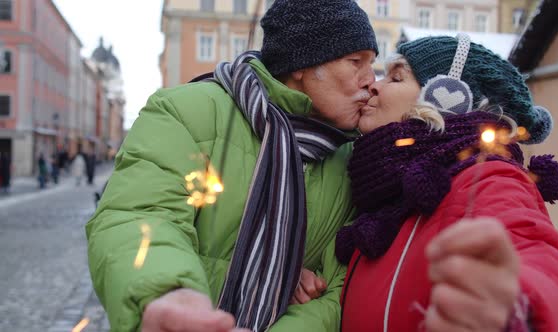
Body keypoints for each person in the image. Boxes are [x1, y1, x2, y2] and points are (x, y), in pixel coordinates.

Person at [86, 0, 378, 331]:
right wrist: (168, 292)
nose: (372, 81)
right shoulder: (185, 111)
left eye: (373, 65)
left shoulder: (356, 158)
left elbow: (336, 288)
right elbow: (139, 215)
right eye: (356, 62)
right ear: (303, 63)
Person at [336, 34, 558, 331]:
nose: (374, 85)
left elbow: (547, 267)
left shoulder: (486, 177)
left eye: (396, 77)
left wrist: (516, 309)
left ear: (444, 95)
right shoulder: (383, 189)